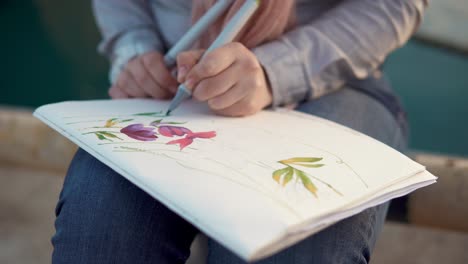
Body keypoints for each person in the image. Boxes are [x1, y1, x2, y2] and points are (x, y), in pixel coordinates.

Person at [51, 0, 427, 263]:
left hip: (335, 73)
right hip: (170, 73)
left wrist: (274, 70)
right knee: (98, 224)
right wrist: (133, 48)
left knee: (293, 238)